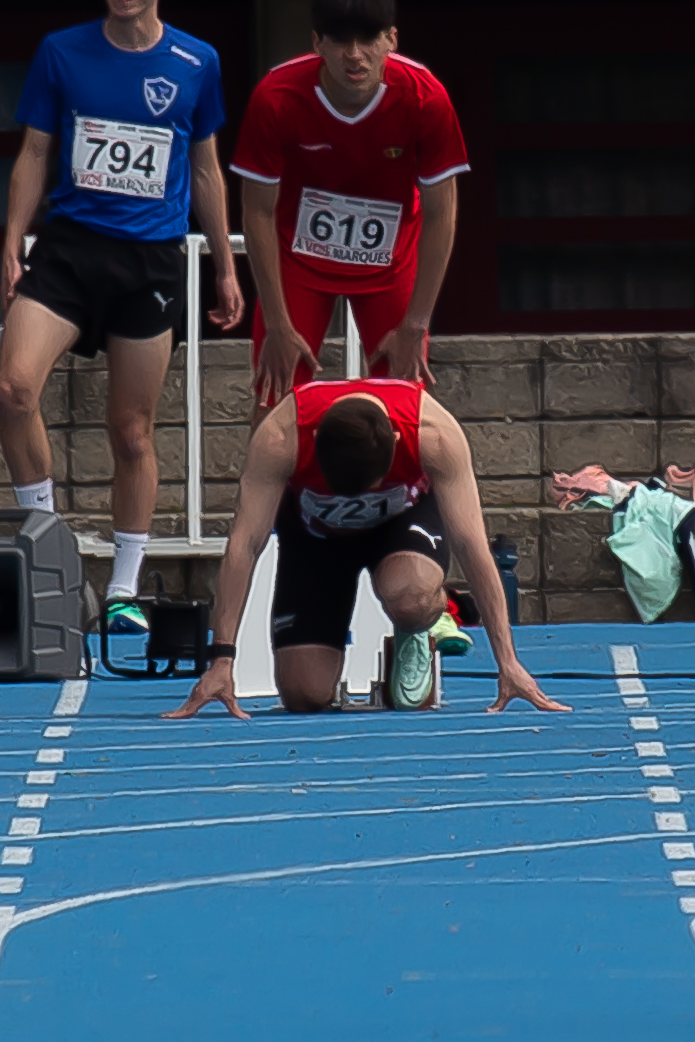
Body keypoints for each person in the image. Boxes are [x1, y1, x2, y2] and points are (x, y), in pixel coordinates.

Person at [0, 0, 244, 630]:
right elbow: (34, 152)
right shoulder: (61, 50)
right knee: (12, 389)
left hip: (150, 262)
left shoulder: (197, 61)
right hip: (69, 251)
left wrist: (224, 265)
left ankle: (124, 588)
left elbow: (206, 167)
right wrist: (12, 240)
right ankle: (47, 548)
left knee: (132, 432)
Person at [164, 378, 571, 720]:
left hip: (399, 525)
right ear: (315, 440)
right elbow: (244, 544)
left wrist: (508, 662)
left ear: (396, 439)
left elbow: (471, 544)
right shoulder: (280, 437)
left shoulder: (434, 435)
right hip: (316, 537)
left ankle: (422, 622)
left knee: (411, 597)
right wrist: (221, 660)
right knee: (305, 695)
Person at [231, 0, 469, 419]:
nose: (355, 55)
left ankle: (400, 465)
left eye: (369, 39)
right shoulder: (276, 97)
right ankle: (273, 464)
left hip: (391, 260)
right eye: (340, 41)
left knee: (403, 399)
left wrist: (416, 324)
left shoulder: (425, 97)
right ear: (317, 43)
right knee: (277, 395)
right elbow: (257, 212)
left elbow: (441, 213)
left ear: (392, 40)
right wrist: (278, 325)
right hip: (299, 258)